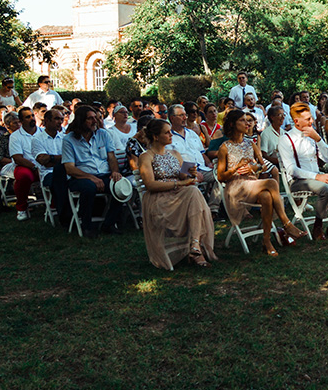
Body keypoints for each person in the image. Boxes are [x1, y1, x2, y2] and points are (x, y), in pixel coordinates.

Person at [218, 109, 306, 256]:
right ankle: (287, 224)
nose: (247, 123)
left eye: (247, 120)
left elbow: (263, 166)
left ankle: (266, 241)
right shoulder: (224, 147)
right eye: (242, 120)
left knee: (266, 196)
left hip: (252, 184)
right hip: (236, 187)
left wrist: (254, 167)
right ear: (233, 124)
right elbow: (221, 177)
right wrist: (235, 168)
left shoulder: (250, 144)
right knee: (271, 182)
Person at [138, 118, 215, 269]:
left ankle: (194, 246)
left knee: (193, 192)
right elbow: (150, 185)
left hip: (180, 196)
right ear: (155, 136)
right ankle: (196, 248)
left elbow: (183, 176)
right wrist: (180, 183)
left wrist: (190, 174)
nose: (171, 135)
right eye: (167, 133)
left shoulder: (175, 153)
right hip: (159, 200)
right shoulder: (146, 157)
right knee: (193, 194)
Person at [280, 102, 328, 241]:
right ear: (296, 121)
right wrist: (317, 177)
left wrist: (318, 139)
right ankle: (318, 227)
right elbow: (292, 170)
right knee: (326, 189)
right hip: (298, 182)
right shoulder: (286, 139)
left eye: (311, 118)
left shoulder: (312, 135)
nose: (312, 121)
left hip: (317, 177)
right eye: (308, 119)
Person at [62, 105, 124, 237]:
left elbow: (111, 157)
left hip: (104, 174)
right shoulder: (69, 140)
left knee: (121, 187)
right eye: (90, 119)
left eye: (95, 118)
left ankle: (109, 223)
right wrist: (91, 178)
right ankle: (86, 226)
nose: (95, 121)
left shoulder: (103, 134)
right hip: (80, 178)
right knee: (89, 188)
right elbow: (70, 168)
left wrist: (115, 172)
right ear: (80, 121)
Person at [33, 106, 68, 222]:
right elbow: (43, 161)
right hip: (48, 174)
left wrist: (52, 158)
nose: (60, 122)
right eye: (57, 119)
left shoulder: (65, 138)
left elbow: (72, 158)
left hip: (68, 170)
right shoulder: (37, 139)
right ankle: (64, 214)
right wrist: (63, 159)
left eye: (61, 119)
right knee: (59, 181)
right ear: (47, 121)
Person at [9, 107, 41, 220]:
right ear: (21, 121)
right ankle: (21, 208)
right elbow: (18, 158)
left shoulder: (43, 132)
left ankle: (54, 205)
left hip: (45, 164)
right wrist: (34, 167)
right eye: (28, 117)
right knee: (23, 176)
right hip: (27, 166)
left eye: (32, 115)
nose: (32, 118)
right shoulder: (15, 136)